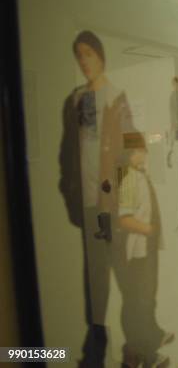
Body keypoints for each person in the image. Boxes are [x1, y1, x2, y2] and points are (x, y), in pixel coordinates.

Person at [59, 30, 135, 367]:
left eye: (88, 54)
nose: (84, 61)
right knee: (95, 274)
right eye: (79, 56)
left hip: (114, 203)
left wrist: (125, 203)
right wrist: (69, 193)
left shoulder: (117, 96)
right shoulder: (76, 100)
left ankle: (137, 337)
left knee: (123, 270)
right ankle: (97, 343)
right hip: (89, 202)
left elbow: (130, 153)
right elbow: (67, 153)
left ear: (101, 56)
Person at [117, 132, 174, 367]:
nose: (145, 154)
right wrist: (148, 229)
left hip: (147, 249)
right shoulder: (129, 179)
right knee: (139, 300)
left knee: (148, 296)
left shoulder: (139, 175)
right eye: (141, 151)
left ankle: (153, 337)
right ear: (131, 153)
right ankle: (145, 353)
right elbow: (124, 219)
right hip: (139, 250)